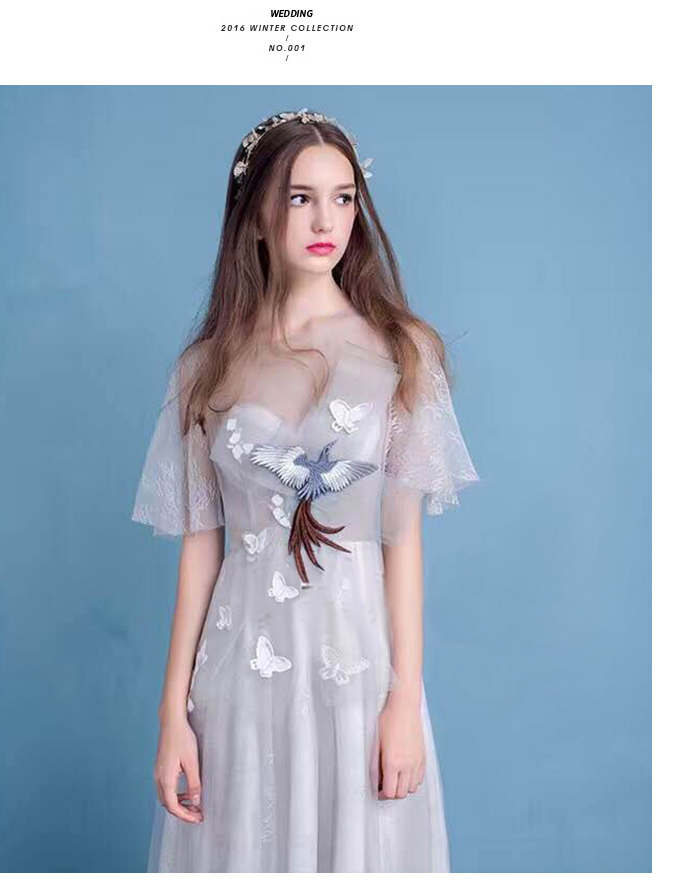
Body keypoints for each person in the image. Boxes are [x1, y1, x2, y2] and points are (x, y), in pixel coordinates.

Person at [130, 108, 480, 872]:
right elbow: (201, 550)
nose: (327, 220)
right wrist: (172, 712)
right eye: (300, 198)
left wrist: (403, 699)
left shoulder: (402, 352)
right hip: (237, 676)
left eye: (343, 197)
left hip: (358, 671)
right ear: (256, 214)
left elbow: (402, 540)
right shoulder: (205, 369)